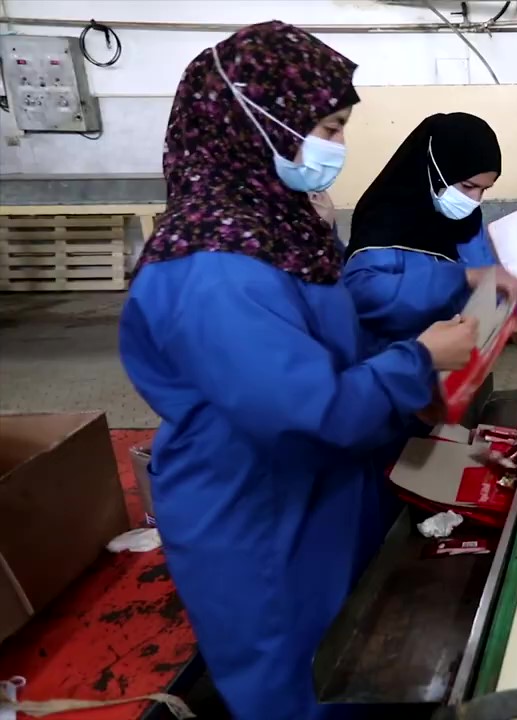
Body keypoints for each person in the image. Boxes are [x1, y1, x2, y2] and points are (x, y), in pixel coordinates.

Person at [118, 22, 477, 720]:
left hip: (325, 495)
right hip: (257, 517)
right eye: (328, 128)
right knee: (297, 686)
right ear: (254, 123)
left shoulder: (275, 233)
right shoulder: (212, 268)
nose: (336, 148)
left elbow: (331, 345)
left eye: (340, 129)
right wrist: (417, 361)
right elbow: (306, 411)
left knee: (356, 663)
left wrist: (414, 387)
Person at [343, 112, 517, 363]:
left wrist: (511, 320)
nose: (474, 200)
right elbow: (365, 297)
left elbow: (489, 282)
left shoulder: (466, 223)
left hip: (457, 369)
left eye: (484, 190)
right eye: (468, 186)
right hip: (396, 369)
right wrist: (460, 278)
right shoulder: (385, 222)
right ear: (435, 171)